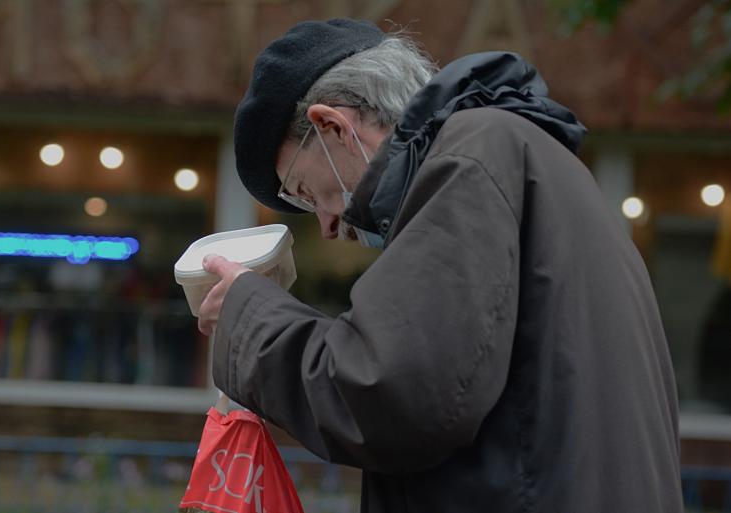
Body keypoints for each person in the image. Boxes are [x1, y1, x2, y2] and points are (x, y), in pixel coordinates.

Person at [197, 18, 684, 513]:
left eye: (307, 193)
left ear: (332, 127)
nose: (324, 223)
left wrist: (248, 317)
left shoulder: (471, 158)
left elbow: (391, 394)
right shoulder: (520, 156)